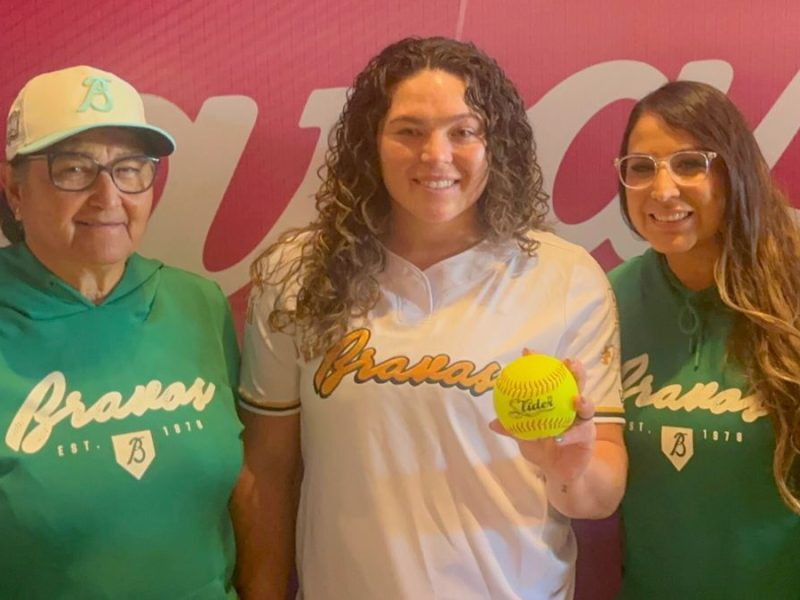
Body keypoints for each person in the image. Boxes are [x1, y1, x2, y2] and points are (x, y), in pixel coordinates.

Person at [233, 37, 626, 600]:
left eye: (464, 132)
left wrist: (569, 467)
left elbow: (599, 496)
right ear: (371, 144)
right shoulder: (296, 273)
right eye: (409, 131)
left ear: (498, 145)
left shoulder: (564, 278)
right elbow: (266, 474)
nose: (435, 155)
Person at [0, 66, 243, 599]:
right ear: (14, 188)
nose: (108, 196)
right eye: (73, 169)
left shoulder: (197, 303)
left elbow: (247, 487)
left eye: (130, 168)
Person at [609, 80, 800, 599]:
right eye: (641, 167)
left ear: (732, 169)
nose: (663, 190)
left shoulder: (792, 288)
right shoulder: (610, 299)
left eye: (690, 163)